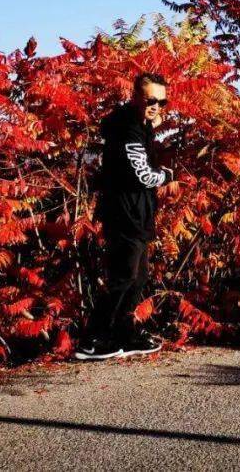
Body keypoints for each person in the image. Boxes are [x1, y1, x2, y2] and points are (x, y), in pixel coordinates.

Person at [75, 72, 179, 360]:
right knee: (123, 276)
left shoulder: (138, 125)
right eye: (150, 100)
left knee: (139, 276)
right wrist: (168, 175)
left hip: (139, 212)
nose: (156, 106)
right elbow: (142, 174)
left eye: (162, 101)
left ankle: (123, 333)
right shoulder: (127, 128)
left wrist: (150, 123)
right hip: (124, 212)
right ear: (135, 96)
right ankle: (93, 339)